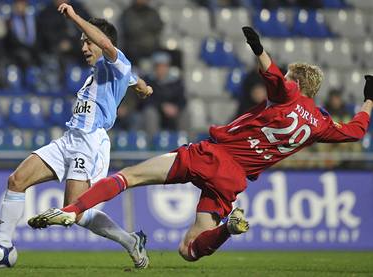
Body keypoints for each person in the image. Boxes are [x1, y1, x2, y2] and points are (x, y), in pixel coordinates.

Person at [27, 26, 373, 262]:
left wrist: (258, 49)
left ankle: (71, 210)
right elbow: (356, 131)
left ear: (299, 84)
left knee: (131, 177)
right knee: (188, 249)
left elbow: (274, 77)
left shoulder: (288, 94)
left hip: (212, 156)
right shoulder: (322, 123)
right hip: (234, 181)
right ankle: (226, 230)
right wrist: (368, 101)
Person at [0, 3, 153, 269]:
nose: (84, 48)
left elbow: (113, 54)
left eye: (88, 42)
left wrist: (74, 16)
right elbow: (133, 79)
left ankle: (130, 240)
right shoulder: (109, 71)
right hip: (69, 139)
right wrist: (143, 87)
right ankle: (3, 243)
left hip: (90, 142)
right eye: (82, 43)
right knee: (16, 180)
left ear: (104, 42)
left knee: (76, 212)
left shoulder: (117, 61)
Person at [120, 0, 163, 64]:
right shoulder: (127, 13)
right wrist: (147, 29)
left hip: (152, 47)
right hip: (133, 48)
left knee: (174, 54)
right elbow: (131, 30)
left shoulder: (153, 12)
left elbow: (158, 27)